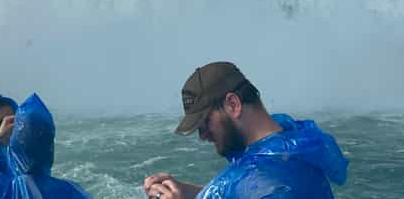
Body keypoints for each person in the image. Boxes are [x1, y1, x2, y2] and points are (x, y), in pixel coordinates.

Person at [143, 62, 349, 199]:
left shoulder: (272, 178)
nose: (203, 135)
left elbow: (259, 186)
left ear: (233, 104)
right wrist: (189, 192)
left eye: (205, 122)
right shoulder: (287, 142)